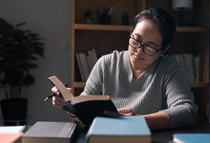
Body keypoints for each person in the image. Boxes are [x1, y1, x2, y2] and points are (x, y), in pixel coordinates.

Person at [52, 8, 197, 130]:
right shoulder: (105, 64)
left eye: (150, 47)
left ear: (164, 49)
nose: (139, 50)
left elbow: (186, 110)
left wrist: (140, 121)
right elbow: (84, 115)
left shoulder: (169, 69)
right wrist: (70, 106)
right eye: (136, 40)